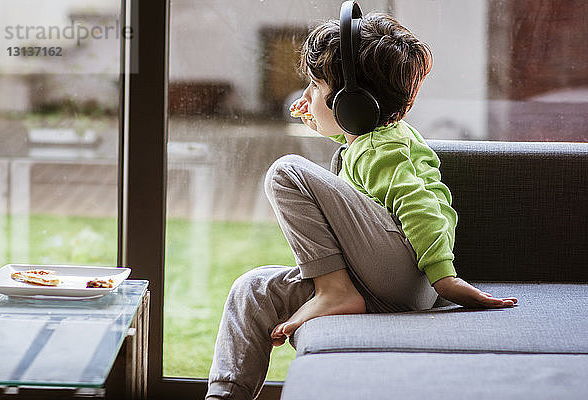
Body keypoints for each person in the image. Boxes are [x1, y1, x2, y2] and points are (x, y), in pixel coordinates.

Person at [206, 10, 517, 400]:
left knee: (286, 170)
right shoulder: (369, 146)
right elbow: (366, 177)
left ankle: (333, 292)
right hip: (378, 282)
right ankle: (224, 394)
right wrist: (330, 127)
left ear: (351, 103)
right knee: (251, 289)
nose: (304, 98)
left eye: (314, 87)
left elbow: (419, 206)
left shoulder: (386, 148)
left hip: (406, 275)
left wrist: (444, 278)